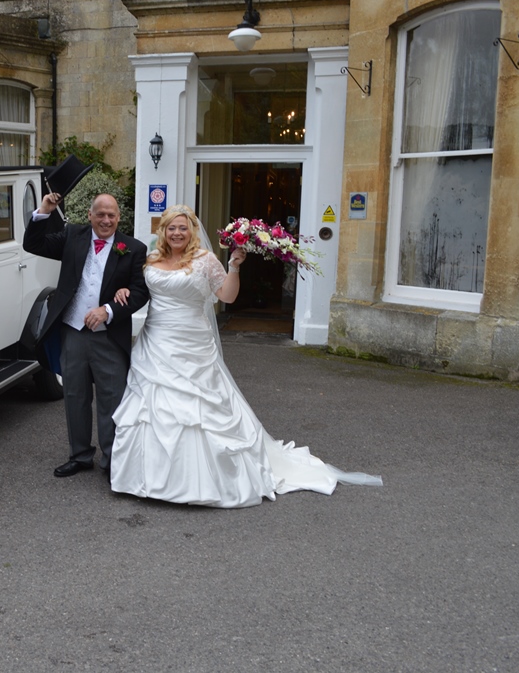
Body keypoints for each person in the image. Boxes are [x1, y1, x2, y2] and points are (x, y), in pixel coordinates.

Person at [110, 205, 381, 506]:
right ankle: (146, 477)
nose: (177, 233)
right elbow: (139, 288)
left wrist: (235, 266)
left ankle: (201, 482)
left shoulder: (205, 260)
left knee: (198, 412)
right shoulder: (151, 259)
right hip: (156, 343)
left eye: (183, 228)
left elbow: (226, 296)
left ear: (192, 231)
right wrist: (122, 289)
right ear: (163, 231)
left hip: (192, 344)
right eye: (171, 228)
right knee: (151, 408)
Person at [24, 192, 150, 477]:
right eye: (101, 214)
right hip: (73, 332)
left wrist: (108, 310)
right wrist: (44, 209)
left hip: (109, 337)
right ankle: (80, 455)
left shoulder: (133, 248)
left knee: (111, 398)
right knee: (75, 396)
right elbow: (33, 243)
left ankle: (112, 459)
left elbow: (141, 291)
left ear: (119, 218)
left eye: (112, 215)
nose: (106, 220)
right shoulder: (72, 236)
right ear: (90, 215)